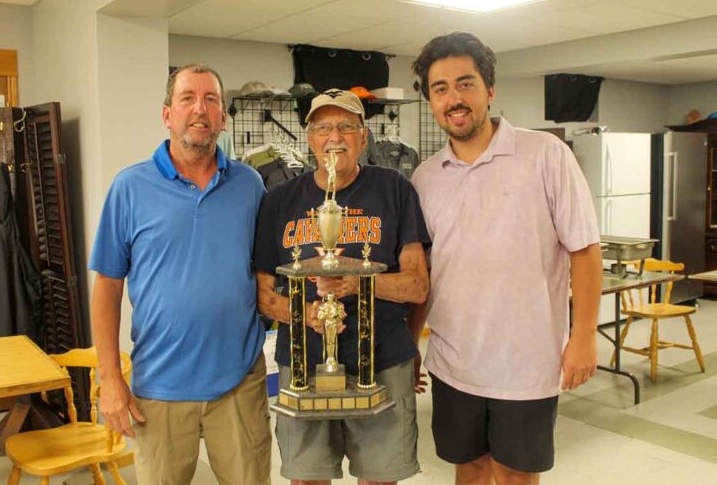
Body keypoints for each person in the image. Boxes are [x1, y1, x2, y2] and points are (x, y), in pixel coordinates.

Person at [410, 32, 602, 485]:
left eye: (465, 83)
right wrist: (410, 344)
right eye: (440, 89)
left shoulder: (545, 155)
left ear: (489, 91)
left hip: (526, 364)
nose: (453, 98)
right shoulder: (424, 178)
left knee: (516, 476)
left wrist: (584, 337)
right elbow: (427, 272)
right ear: (431, 102)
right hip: (454, 361)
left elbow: (585, 250)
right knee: (469, 470)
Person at [89, 64, 271, 485]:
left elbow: (263, 273)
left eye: (211, 99)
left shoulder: (251, 185)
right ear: (167, 113)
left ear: (223, 117)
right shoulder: (129, 188)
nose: (200, 109)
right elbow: (108, 287)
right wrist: (110, 379)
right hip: (160, 387)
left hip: (238, 382)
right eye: (188, 98)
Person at [254, 88, 430, 484]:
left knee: (380, 478)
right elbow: (265, 297)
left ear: (364, 137)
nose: (335, 137)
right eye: (323, 127)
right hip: (302, 365)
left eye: (347, 127)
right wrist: (307, 316)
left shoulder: (395, 189)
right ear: (309, 138)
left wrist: (356, 283)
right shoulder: (278, 201)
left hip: (383, 362)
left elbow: (418, 285)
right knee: (306, 478)